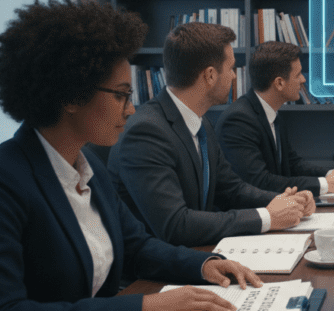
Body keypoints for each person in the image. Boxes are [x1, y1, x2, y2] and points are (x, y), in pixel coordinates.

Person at [0, 0, 264, 311]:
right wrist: (144, 308)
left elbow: (138, 246)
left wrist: (203, 266)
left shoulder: (88, 166)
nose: (131, 110)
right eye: (121, 95)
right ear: (72, 95)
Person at [108, 22, 313, 247]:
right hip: (154, 276)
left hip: (199, 254)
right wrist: (267, 217)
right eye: (230, 68)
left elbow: (230, 189)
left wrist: (283, 201)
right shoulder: (146, 132)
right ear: (210, 75)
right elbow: (175, 225)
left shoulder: (201, 121)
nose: (234, 77)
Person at [217, 41, 334, 195]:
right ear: (279, 83)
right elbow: (260, 182)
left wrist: (331, 174)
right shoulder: (238, 120)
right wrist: (326, 184)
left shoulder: (272, 113)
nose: (303, 80)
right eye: (298, 75)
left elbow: (292, 164)